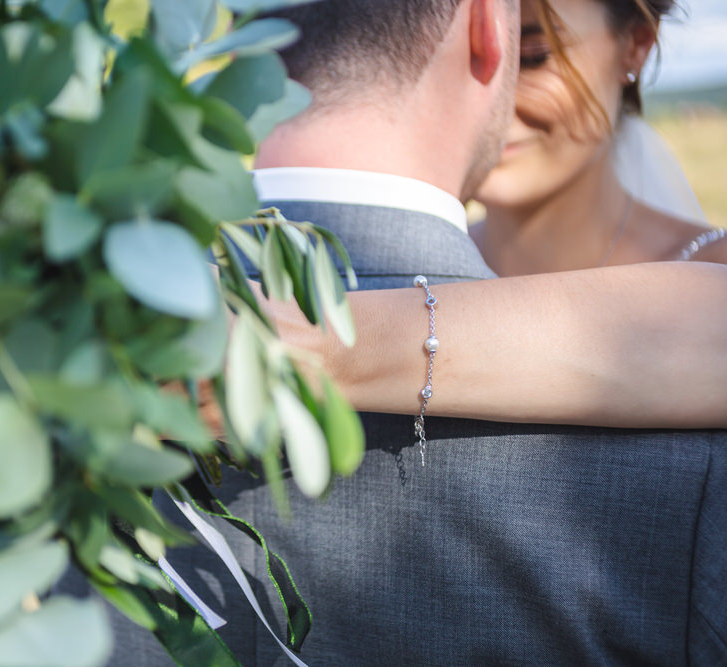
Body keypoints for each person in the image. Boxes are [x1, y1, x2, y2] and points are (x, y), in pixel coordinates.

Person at [108, 0, 727, 664]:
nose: (515, 90)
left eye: (539, 53)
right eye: (518, 46)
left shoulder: (81, 332)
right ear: (487, 26)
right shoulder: (687, 474)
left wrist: (330, 339)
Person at [472, 0, 727, 275]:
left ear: (634, 46)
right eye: (463, 62)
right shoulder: (422, 273)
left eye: (533, 57)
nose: (490, 107)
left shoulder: (714, 276)